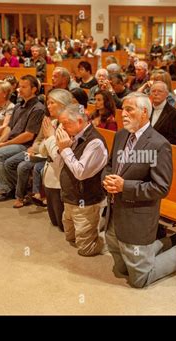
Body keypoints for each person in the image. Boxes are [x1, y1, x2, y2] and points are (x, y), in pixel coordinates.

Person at [102, 92, 176, 288]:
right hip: (113, 215)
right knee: (120, 268)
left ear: (144, 113)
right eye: (122, 109)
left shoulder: (159, 144)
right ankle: (162, 244)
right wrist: (106, 180)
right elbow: (110, 166)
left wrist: (123, 186)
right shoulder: (120, 136)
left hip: (137, 217)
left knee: (139, 280)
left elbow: (161, 187)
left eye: (129, 109)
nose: (123, 114)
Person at [0, 75, 45, 202]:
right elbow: (8, 127)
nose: (19, 89)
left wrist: (5, 144)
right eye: (19, 87)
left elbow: (29, 135)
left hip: (24, 144)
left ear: (34, 89)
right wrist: (0, 141)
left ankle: (6, 189)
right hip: (11, 140)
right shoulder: (19, 105)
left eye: (24, 87)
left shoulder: (38, 108)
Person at [56, 104, 108, 256]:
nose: (62, 128)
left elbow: (81, 173)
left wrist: (65, 149)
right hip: (69, 197)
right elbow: (59, 163)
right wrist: (61, 146)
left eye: (65, 124)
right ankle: (97, 225)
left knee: (86, 249)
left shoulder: (95, 142)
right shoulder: (72, 137)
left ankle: (112, 242)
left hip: (86, 199)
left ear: (79, 121)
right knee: (70, 238)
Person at [39, 89, 74, 230]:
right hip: (49, 176)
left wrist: (50, 137)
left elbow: (59, 158)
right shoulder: (53, 123)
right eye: (48, 102)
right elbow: (42, 150)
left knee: (62, 225)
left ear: (63, 105)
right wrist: (48, 137)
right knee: (54, 221)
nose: (48, 106)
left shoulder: (69, 126)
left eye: (52, 103)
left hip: (60, 179)